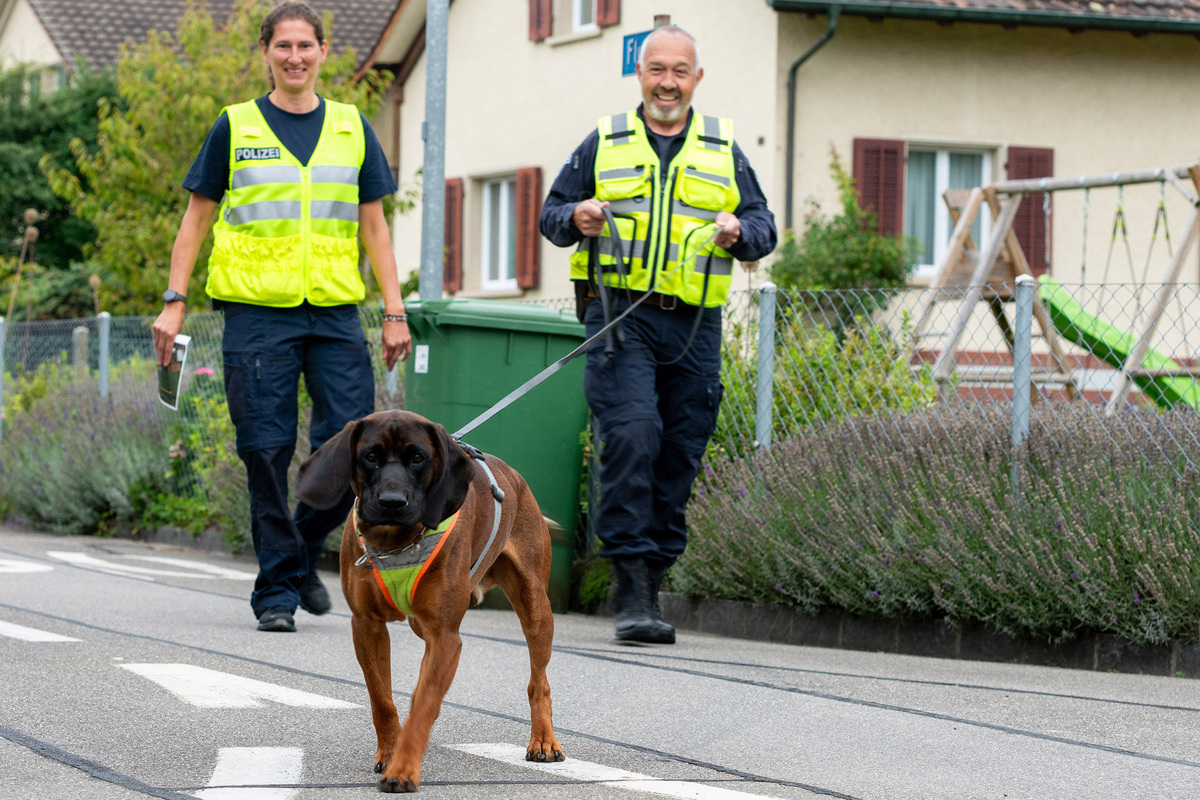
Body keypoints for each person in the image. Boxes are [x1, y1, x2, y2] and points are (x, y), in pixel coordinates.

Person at [152, 1, 410, 633]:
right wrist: (174, 300)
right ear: (266, 52)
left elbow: (375, 226)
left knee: (353, 447)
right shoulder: (235, 126)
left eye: (305, 45)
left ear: (323, 51)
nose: (295, 57)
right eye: (283, 46)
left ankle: (295, 555)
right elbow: (196, 219)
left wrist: (394, 310)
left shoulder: (352, 128)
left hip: (334, 312)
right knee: (264, 451)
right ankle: (277, 592)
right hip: (256, 316)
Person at [540, 25, 777, 644]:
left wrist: (739, 231)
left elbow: (764, 227)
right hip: (620, 318)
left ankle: (655, 565)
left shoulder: (723, 148)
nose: (667, 83)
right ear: (640, 74)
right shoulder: (605, 140)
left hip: (695, 325)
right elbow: (551, 215)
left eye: (679, 71)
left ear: (697, 79)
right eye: (657, 70)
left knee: (680, 451)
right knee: (633, 433)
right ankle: (632, 589)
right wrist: (577, 215)